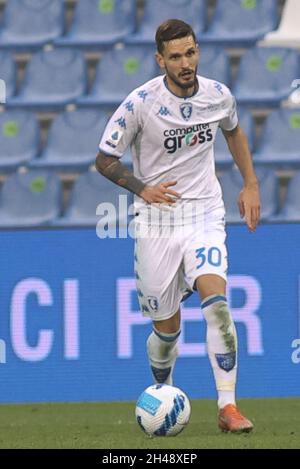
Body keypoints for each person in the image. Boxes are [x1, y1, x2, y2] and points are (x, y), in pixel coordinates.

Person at [96, 19, 260, 433]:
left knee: (217, 305)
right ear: (160, 59)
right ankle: (163, 390)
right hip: (157, 222)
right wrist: (142, 188)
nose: (185, 63)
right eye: (175, 56)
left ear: (197, 51)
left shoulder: (218, 95)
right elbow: (104, 160)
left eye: (190, 53)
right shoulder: (140, 103)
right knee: (166, 330)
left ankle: (228, 406)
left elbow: (234, 131)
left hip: (205, 212)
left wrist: (251, 184)